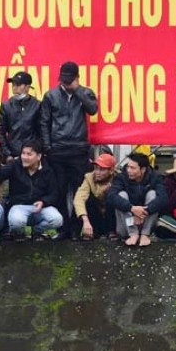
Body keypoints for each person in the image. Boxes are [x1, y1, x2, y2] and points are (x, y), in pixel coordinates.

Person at [40, 61, 99, 236]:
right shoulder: (50, 95)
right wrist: (47, 147)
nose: (64, 83)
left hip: (78, 150)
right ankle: (63, 229)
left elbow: (93, 109)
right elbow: (44, 122)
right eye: (63, 80)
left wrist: (78, 90)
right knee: (59, 191)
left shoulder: (86, 92)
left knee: (80, 191)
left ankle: (77, 227)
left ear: (76, 78)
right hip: (57, 150)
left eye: (68, 80)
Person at [0, 141, 63, 241]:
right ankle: (19, 234)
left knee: (57, 220)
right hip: (19, 206)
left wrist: (43, 202)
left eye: (29, 154)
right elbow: (1, 175)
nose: (25, 157)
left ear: (39, 156)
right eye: (23, 153)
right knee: (17, 221)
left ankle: (36, 232)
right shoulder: (15, 164)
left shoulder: (47, 170)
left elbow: (54, 193)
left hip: (40, 208)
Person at [107, 152, 164, 247]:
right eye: (128, 167)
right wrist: (132, 209)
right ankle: (133, 234)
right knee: (121, 194)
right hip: (126, 225)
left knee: (153, 194)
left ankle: (145, 235)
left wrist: (143, 211)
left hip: (146, 223)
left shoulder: (155, 177)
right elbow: (111, 196)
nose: (129, 170)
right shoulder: (121, 177)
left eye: (132, 168)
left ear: (143, 169)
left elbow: (163, 198)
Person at [72, 152, 116, 241]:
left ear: (111, 171)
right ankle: (77, 233)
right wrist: (85, 220)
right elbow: (79, 199)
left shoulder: (118, 178)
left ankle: (112, 232)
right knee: (87, 200)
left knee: (113, 198)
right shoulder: (89, 177)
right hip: (97, 216)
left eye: (102, 169)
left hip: (113, 217)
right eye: (96, 168)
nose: (98, 172)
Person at [0, 72, 40, 160]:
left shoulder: (37, 105)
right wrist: (7, 154)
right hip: (12, 155)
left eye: (18, 85)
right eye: (13, 85)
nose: (14, 88)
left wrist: (37, 152)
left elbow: (42, 131)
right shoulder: (6, 105)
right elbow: (0, 131)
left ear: (28, 87)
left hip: (32, 155)